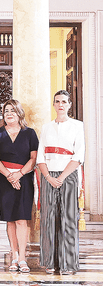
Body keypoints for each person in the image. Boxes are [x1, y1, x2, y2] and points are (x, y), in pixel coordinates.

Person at [37, 90, 85, 275]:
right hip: (48, 174)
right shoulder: (46, 127)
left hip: (69, 175)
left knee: (68, 219)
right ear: (54, 104)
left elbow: (79, 155)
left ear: (69, 104)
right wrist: (48, 177)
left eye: (64, 101)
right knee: (49, 218)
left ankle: (68, 264)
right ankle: (50, 262)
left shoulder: (77, 126)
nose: (60, 105)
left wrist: (62, 177)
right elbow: (41, 155)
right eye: (57, 101)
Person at [0, 99, 38, 274]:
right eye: (6, 110)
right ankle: (14, 256)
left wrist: (19, 174)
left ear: (19, 113)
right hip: (4, 179)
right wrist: (10, 176)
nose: (9, 113)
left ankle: (23, 258)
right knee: (10, 219)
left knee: (22, 219)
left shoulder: (30, 133)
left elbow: (33, 159)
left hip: (24, 178)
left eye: (13, 110)